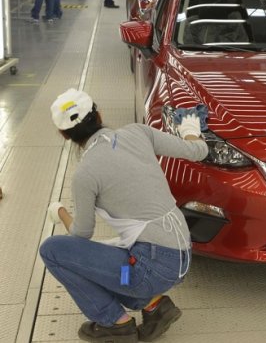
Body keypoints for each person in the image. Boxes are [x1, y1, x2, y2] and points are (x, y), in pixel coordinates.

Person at [40, 88, 209, 342]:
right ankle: (154, 305)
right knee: (113, 266)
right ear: (99, 114)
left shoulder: (85, 174)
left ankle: (115, 323)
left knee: (54, 251)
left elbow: (81, 235)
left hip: (149, 267)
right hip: (182, 254)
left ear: (64, 135)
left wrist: (59, 211)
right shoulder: (137, 132)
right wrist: (189, 129)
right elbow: (198, 151)